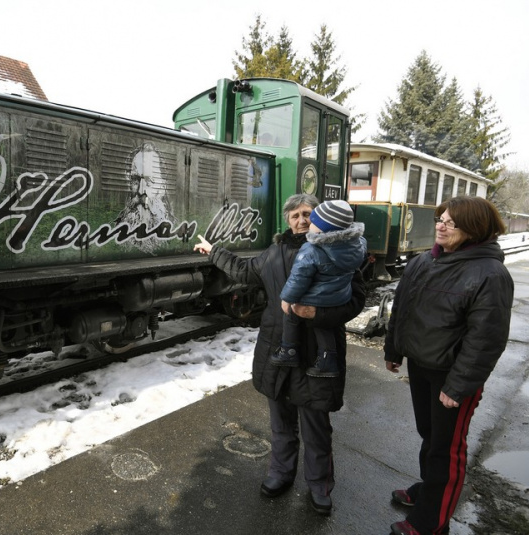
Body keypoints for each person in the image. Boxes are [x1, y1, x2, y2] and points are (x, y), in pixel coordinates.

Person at [194, 193, 365, 516]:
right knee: (281, 422)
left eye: (307, 214)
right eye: (295, 215)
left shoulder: (339, 252)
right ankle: (281, 473)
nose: (301, 220)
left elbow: (356, 301)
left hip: (318, 351)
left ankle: (319, 485)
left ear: (318, 218)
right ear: (287, 220)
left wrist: (316, 313)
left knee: (316, 425)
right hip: (277, 348)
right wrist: (213, 251)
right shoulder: (274, 252)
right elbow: (244, 271)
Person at [384, 196, 514, 535]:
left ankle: (431, 522)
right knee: (430, 435)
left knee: (447, 449)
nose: (440, 225)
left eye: (450, 222)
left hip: (452, 376)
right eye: (440, 218)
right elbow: (403, 308)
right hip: (421, 366)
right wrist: (394, 349)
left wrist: (458, 386)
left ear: (473, 230)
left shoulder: (490, 274)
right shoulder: (424, 261)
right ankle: (430, 492)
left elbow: (486, 339)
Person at [272, 200, 366, 378]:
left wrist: (287, 298)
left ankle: (288, 350)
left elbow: (298, 278)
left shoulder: (311, 249)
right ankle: (327, 360)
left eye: (310, 218)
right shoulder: (356, 245)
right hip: (339, 297)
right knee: (324, 327)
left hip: (318, 298)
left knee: (291, 314)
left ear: (322, 228)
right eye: (296, 216)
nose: (306, 223)